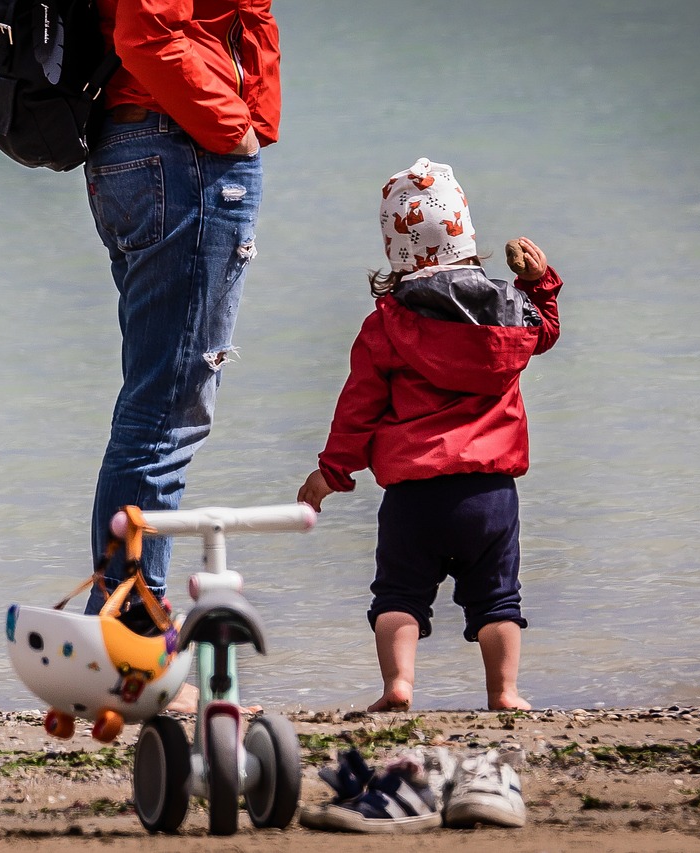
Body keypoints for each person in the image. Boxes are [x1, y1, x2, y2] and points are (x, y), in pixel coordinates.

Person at [297, 157, 563, 713]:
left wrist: (332, 472)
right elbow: (543, 335)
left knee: (398, 597)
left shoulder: (385, 326)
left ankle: (398, 686)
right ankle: (505, 693)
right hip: (488, 497)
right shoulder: (509, 314)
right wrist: (539, 286)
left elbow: (358, 409)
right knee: (496, 601)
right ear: (466, 237)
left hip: (414, 496)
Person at [81, 1, 281, 618]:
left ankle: (118, 631)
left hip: (140, 144)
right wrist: (231, 128)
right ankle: (131, 640)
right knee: (165, 416)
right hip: (180, 148)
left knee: (154, 407)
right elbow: (147, 34)